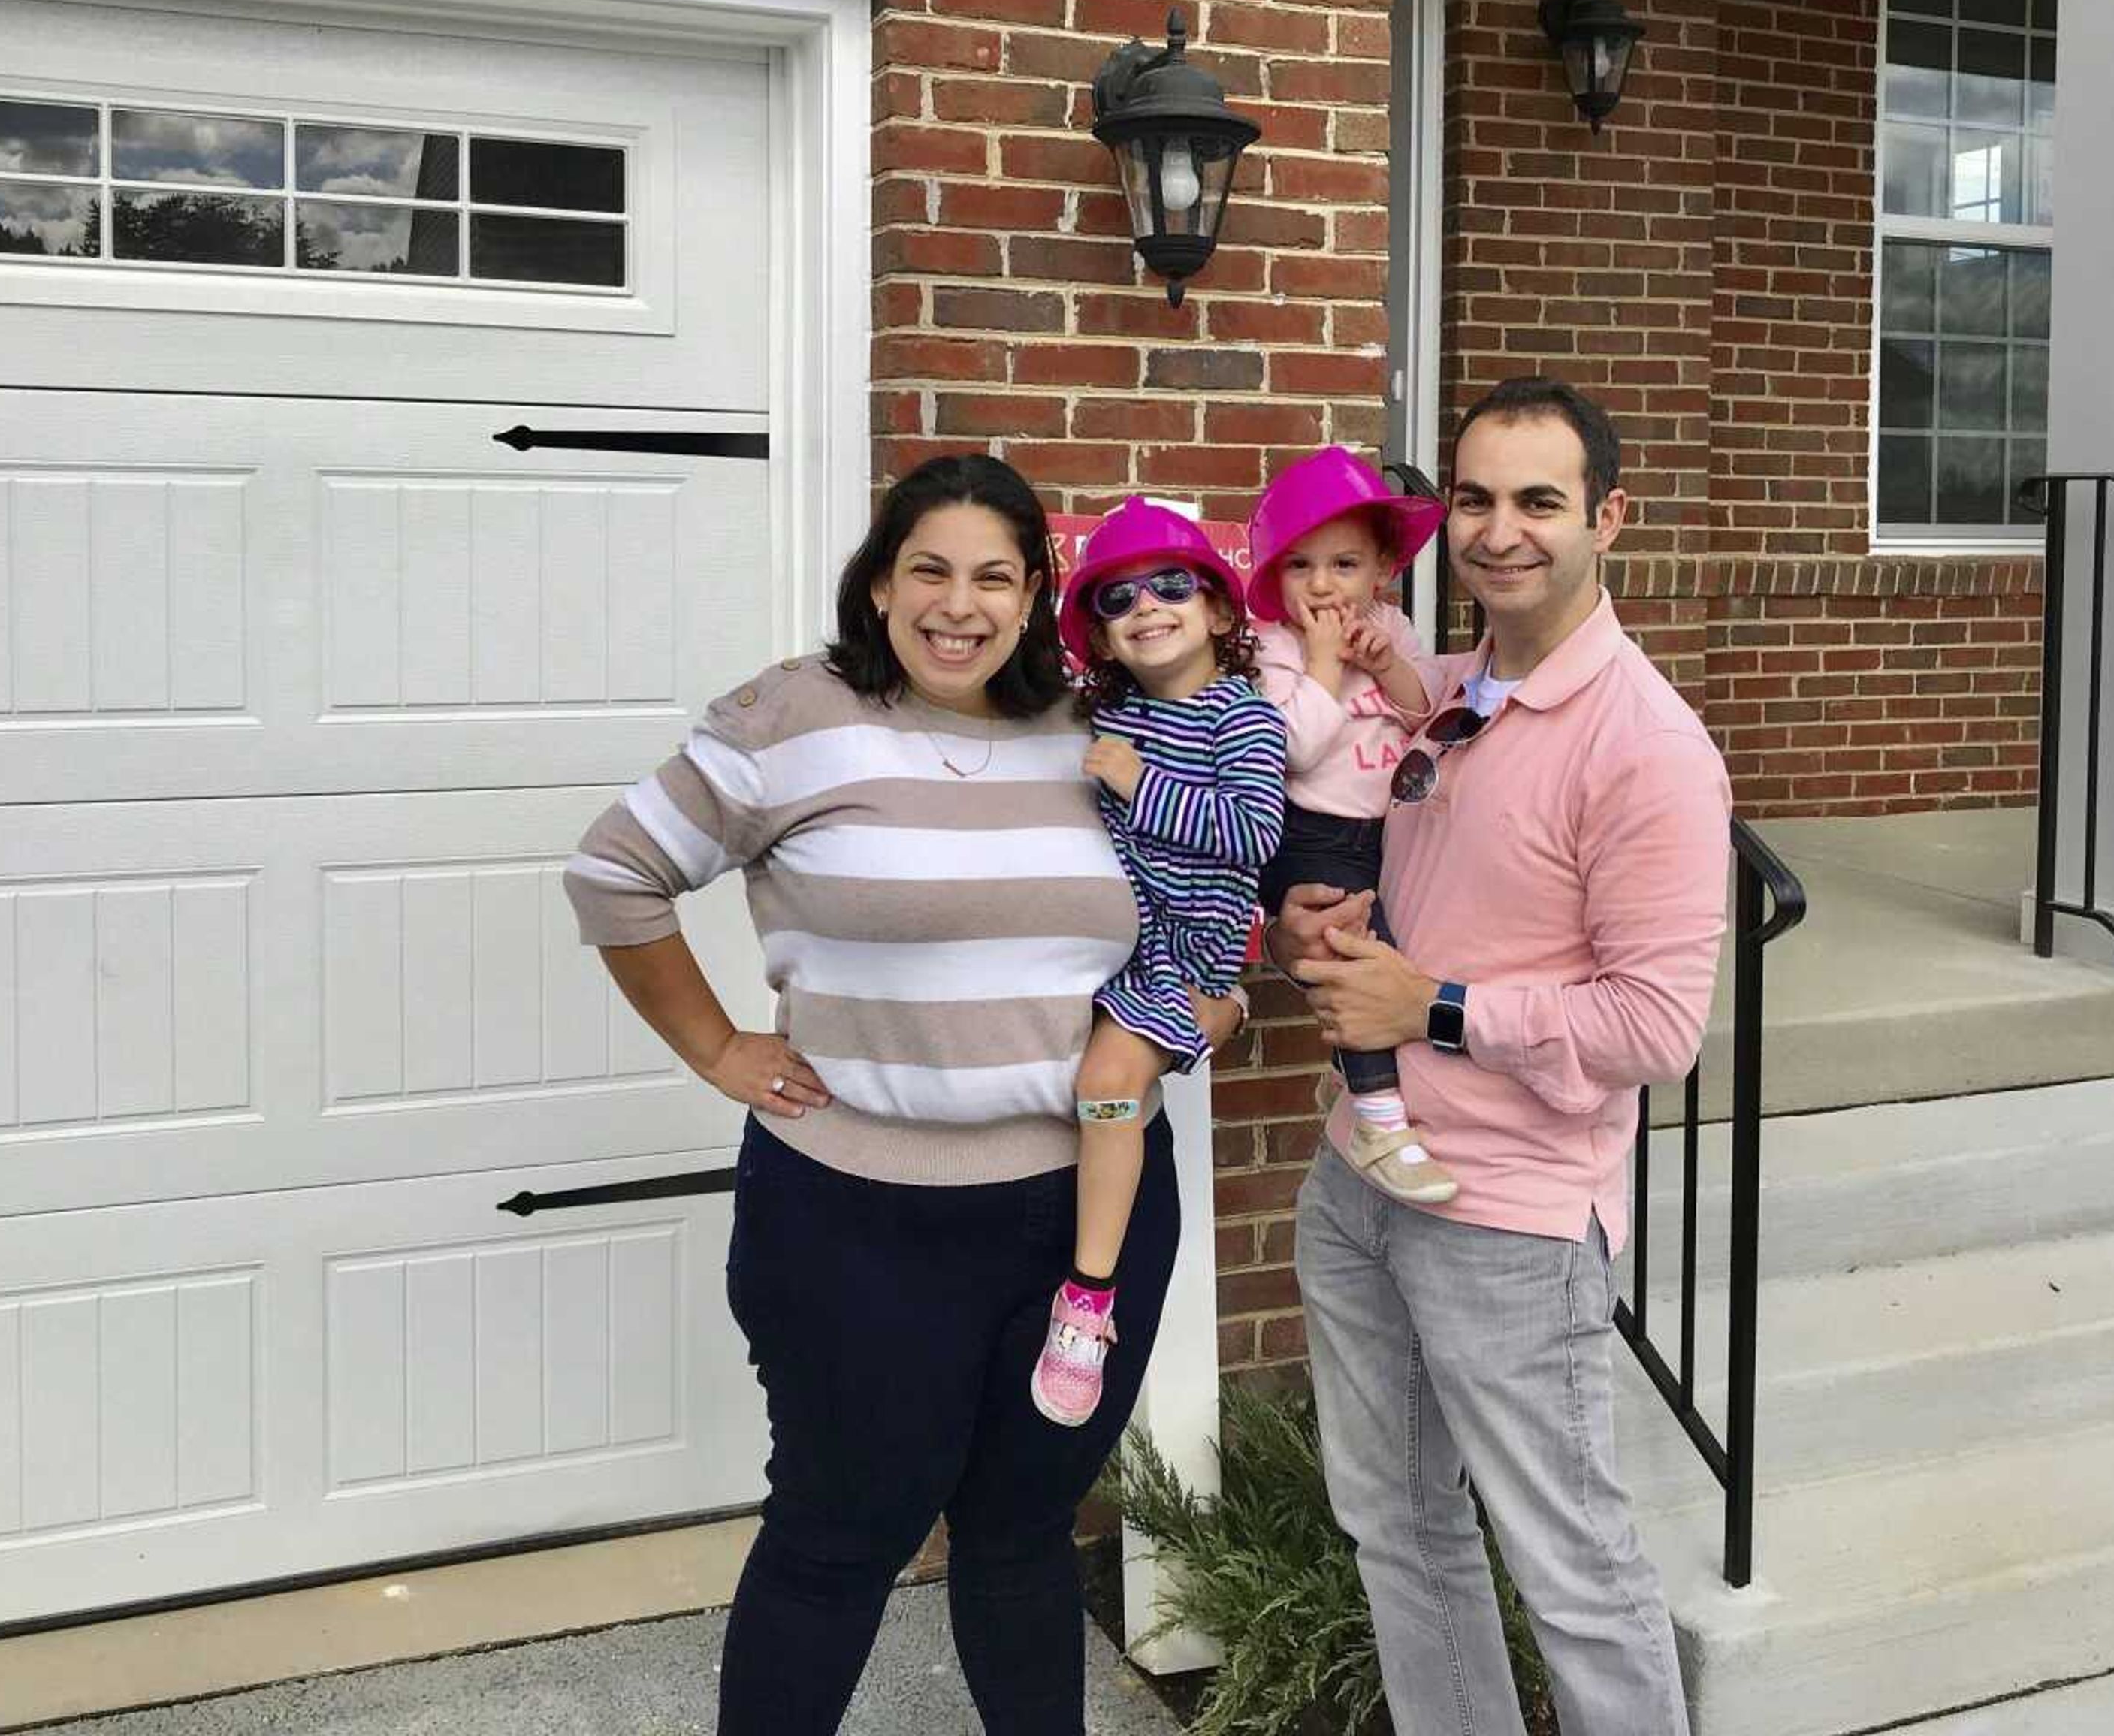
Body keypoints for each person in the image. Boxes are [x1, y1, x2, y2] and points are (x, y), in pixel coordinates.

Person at [563, 453, 1240, 1736]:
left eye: (997, 575)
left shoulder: (1101, 728)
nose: (960, 604)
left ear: (1040, 594)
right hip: (854, 1224)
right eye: (928, 568)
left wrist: (1211, 1003)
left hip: (1086, 1224)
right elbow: (615, 877)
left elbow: (1199, 897)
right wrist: (717, 1048)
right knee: (838, 1537)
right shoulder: (791, 717)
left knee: (1026, 1536)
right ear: (878, 584)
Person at [1268, 378, 1732, 1736]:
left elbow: (1657, 1027)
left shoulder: (1646, 749)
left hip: (1512, 1224)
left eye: (1540, 500)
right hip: (1363, 1178)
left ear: (1610, 519)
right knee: (1400, 1534)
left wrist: (1432, 1005)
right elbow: (1410, 902)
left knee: (1573, 1570)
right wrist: (1322, 931)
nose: (1501, 529)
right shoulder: (1444, 696)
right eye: (1474, 497)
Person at [1034, 498, 1288, 1425]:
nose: (1146, 606)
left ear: (1220, 611)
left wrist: (1139, 783)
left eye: (1173, 586)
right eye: (1116, 598)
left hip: (1181, 957)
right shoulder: (1110, 717)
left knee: (1107, 1084)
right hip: (1110, 950)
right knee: (1104, 1095)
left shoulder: (1243, 719)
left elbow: (1252, 834)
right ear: (1099, 637)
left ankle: (1088, 1298)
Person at [1245, 445, 1457, 1204]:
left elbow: (1422, 716)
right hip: (1316, 832)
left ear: (1380, 572)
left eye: (1343, 564)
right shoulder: (1273, 648)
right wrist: (1327, 665)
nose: (1324, 584)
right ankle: (1377, 1117)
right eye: (1301, 566)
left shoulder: (1391, 629)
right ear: (1275, 578)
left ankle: (1407, 1102)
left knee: (1410, 957)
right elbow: (1291, 747)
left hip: (1389, 832)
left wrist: (1386, 664)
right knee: (1357, 964)